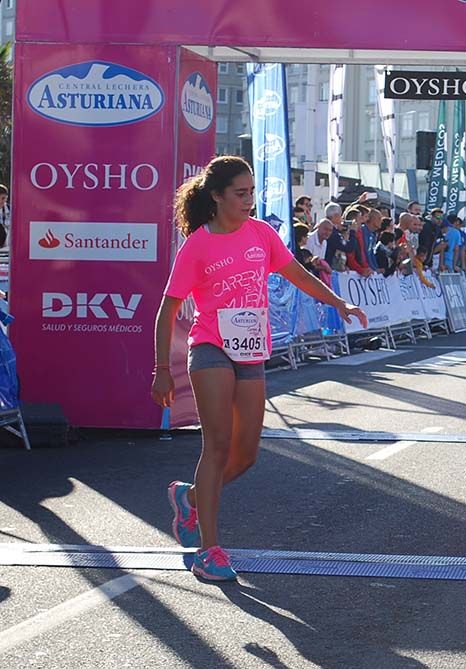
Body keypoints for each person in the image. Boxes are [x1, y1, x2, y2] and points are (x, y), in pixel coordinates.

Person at [151, 156, 368, 581]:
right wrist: (162, 368)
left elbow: (298, 276)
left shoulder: (261, 234)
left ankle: (191, 499)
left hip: (251, 350)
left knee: (246, 454)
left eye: (252, 191)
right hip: (211, 346)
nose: (249, 200)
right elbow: (167, 309)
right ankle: (209, 550)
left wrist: (339, 302)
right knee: (216, 446)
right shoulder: (198, 243)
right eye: (241, 193)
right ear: (216, 196)